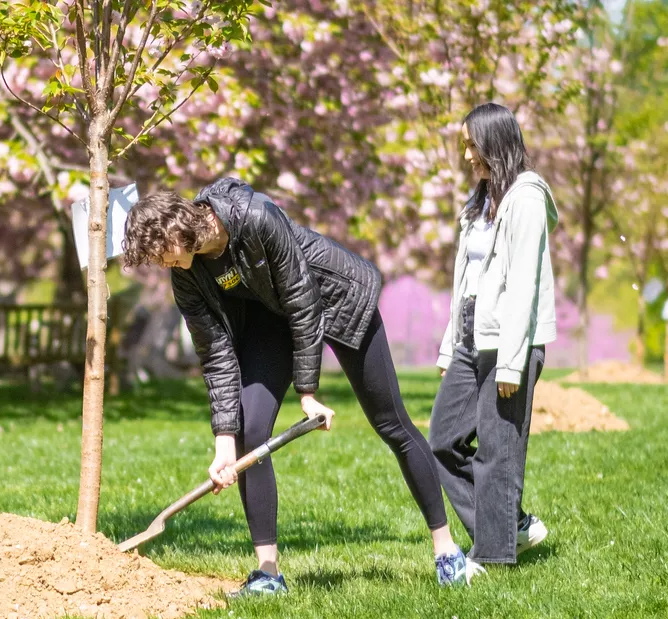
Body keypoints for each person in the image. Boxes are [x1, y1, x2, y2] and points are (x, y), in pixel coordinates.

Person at [122, 178, 473, 594]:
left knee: (391, 423)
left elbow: (304, 302)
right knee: (250, 436)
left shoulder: (254, 217)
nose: (160, 264)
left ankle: (447, 552)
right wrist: (223, 443)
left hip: (336, 298)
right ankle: (268, 574)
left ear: (175, 229)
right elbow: (215, 355)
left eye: (159, 252)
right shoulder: (187, 274)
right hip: (275, 317)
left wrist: (307, 394)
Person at [427, 102, 558, 582]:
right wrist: (449, 349)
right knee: (442, 440)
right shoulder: (480, 201)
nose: (466, 155)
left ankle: (494, 555)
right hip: (469, 334)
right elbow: (465, 281)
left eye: (471, 145)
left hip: (509, 341)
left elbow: (523, 283)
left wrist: (511, 363)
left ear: (494, 142)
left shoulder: (526, 199)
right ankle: (509, 525)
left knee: (498, 450)